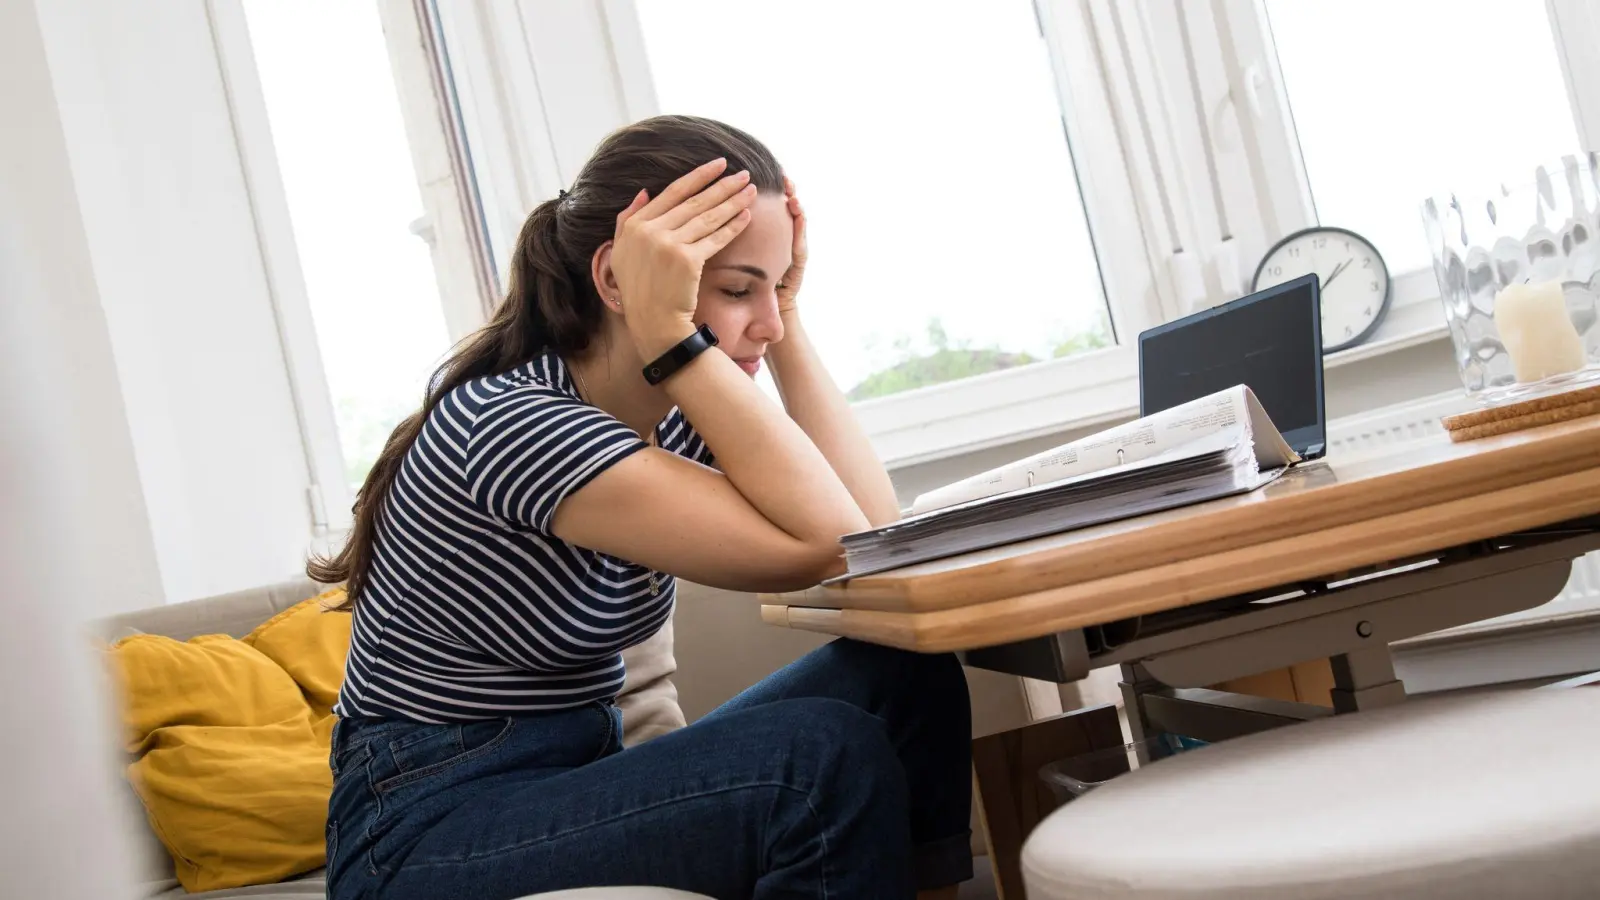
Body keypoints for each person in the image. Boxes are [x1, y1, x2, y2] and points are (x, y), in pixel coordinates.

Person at [309, 115, 973, 900]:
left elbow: (873, 534)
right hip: (422, 834)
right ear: (618, 280)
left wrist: (781, 316)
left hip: (569, 781)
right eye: (735, 289)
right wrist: (675, 334)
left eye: (779, 285)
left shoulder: (676, 409)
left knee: (906, 668)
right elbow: (832, 542)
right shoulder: (512, 422)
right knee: (814, 757)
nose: (763, 320)